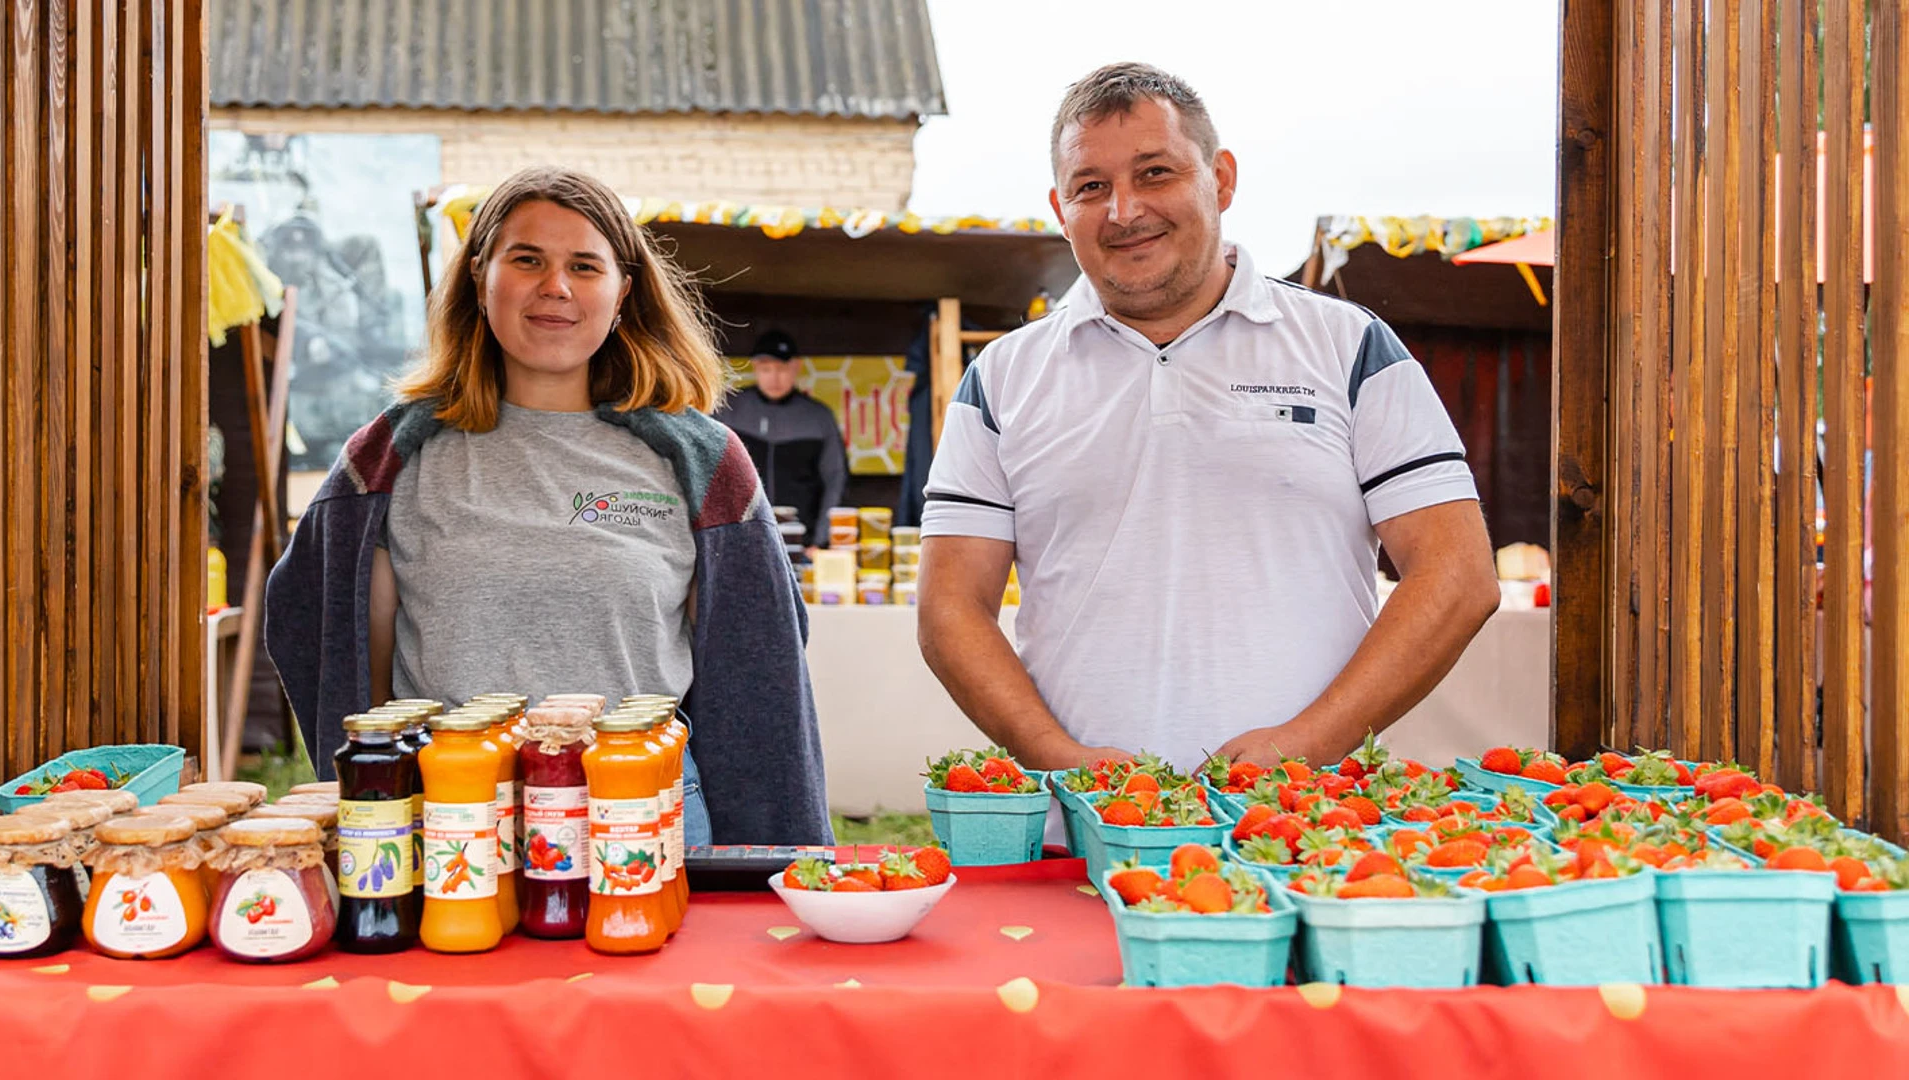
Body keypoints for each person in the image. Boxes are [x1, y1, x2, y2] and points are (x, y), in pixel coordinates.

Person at [917, 63, 1500, 779]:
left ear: (1220, 179)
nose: (1123, 211)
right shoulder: (1002, 379)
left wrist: (1307, 743)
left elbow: (1459, 574)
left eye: (1155, 173)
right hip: (1090, 826)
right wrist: (1060, 761)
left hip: (1305, 829)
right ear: (1058, 206)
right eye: (1090, 186)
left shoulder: (1349, 346)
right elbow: (950, 609)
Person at [266, 166, 831, 845]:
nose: (555, 287)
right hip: (455, 822)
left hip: (643, 814)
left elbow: (756, 671)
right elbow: (346, 664)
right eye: (527, 259)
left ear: (624, 292)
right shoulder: (393, 460)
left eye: (585, 266)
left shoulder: (702, 463)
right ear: (481, 278)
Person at [714, 329, 848, 547]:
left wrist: (820, 542)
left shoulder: (818, 417)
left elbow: (835, 479)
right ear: (755, 368)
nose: (774, 377)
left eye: (782, 368)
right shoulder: (729, 409)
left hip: (800, 543)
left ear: (796, 367)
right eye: (766, 369)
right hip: (740, 539)